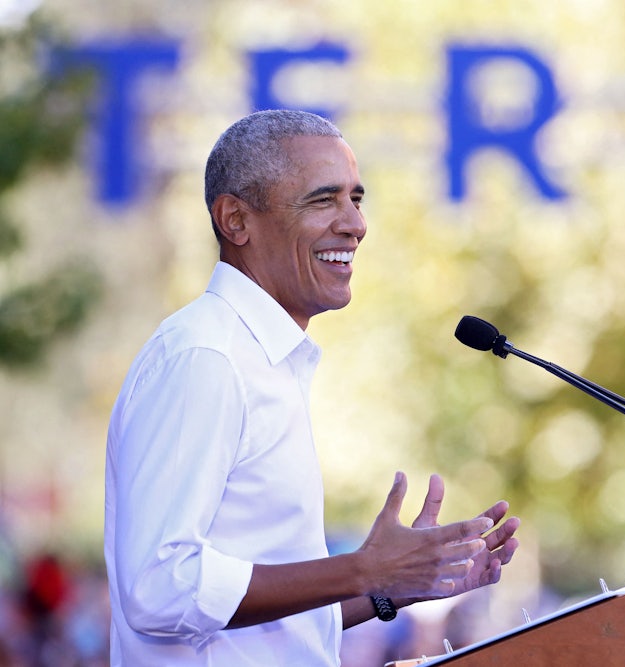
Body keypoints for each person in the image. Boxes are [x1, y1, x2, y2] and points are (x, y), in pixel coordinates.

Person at [104, 109, 520, 666]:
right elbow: (158, 588)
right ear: (236, 220)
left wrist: (390, 589)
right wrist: (363, 566)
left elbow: (256, 622)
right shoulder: (206, 357)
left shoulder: (261, 359)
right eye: (323, 200)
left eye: (356, 198)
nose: (355, 224)